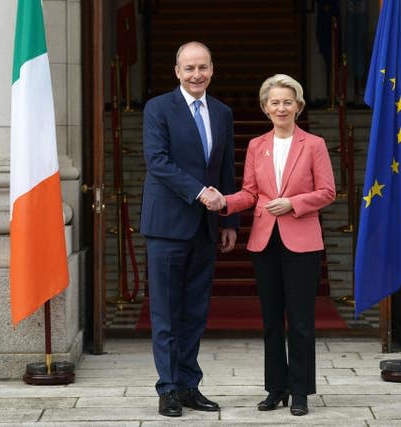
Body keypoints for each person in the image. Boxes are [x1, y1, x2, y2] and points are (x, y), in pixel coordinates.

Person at [203, 74, 336, 416]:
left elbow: (327, 192)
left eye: (287, 102)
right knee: (272, 320)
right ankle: (276, 388)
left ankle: (301, 391)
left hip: (302, 242)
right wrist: (224, 203)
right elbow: (250, 193)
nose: (281, 107)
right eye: (274, 102)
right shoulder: (256, 146)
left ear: (299, 106)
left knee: (302, 321)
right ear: (265, 108)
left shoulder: (314, 144)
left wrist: (293, 204)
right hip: (265, 242)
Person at [140, 41, 239, 417]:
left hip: (206, 227)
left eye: (203, 67)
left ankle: (188, 386)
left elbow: (226, 168)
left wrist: (229, 217)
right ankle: (167, 389)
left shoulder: (222, 112)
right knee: (166, 312)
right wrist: (201, 194)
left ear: (212, 69)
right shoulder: (158, 108)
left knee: (195, 312)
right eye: (189, 68)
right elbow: (158, 162)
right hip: (167, 226)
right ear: (177, 72)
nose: (196, 74)